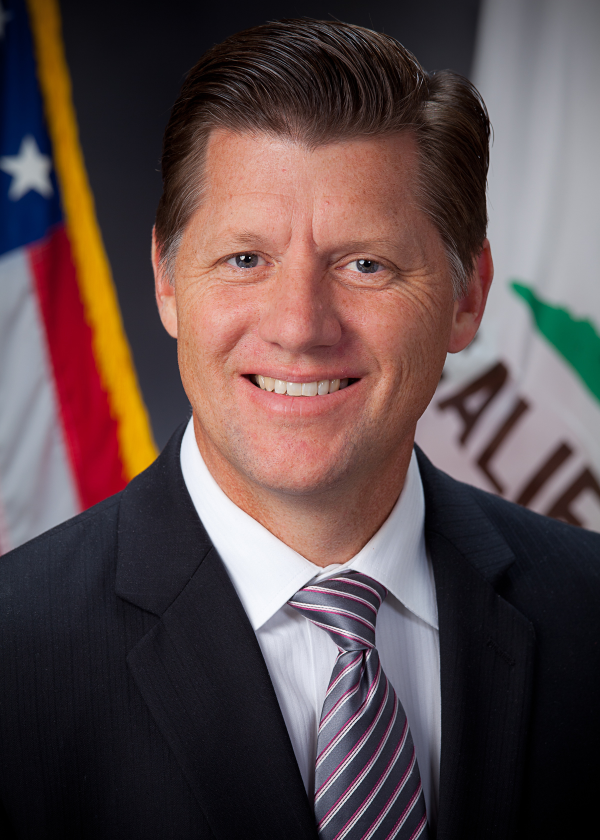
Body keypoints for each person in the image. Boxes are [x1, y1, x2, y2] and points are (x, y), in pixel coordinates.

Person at [1, 18, 599, 840]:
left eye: (365, 265)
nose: (300, 327)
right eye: (246, 259)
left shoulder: (588, 613)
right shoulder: (16, 658)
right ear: (167, 281)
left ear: (467, 297)